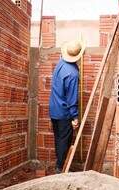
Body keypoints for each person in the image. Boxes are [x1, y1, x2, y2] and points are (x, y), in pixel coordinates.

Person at [49, 39, 85, 174]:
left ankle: (59, 165)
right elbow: (71, 98)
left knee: (58, 139)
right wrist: (75, 117)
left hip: (54, 110)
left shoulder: (60, 64)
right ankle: (60, 169)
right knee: (65, 141)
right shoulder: (73, 74)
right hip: (64, 112)